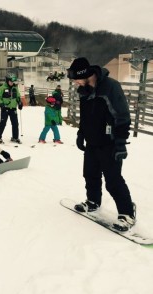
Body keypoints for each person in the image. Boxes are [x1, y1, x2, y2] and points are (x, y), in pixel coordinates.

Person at [67, 57, 135, 231]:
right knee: (90, 174)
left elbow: (122, 116)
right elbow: (85, 115)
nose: (75, 83)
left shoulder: (110, 87)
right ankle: (93, 201)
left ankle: (127, 213)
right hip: (92, 141)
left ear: (85, 75)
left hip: (110, 142)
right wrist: (81, 133)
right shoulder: (84, 90)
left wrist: (120, 143)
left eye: (75, 79)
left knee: (113, 180)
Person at [0, 74, 23, 144]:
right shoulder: (2, 88)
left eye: (13, 82)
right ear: (7, 81)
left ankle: (15, 137)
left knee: (15, 123)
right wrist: (1, 105)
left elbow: (18, 97)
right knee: (3, 123)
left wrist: (20, 103)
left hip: (13, 109)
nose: (12, 83)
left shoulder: (15, 88)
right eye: (10, 81)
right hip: (5, 108)